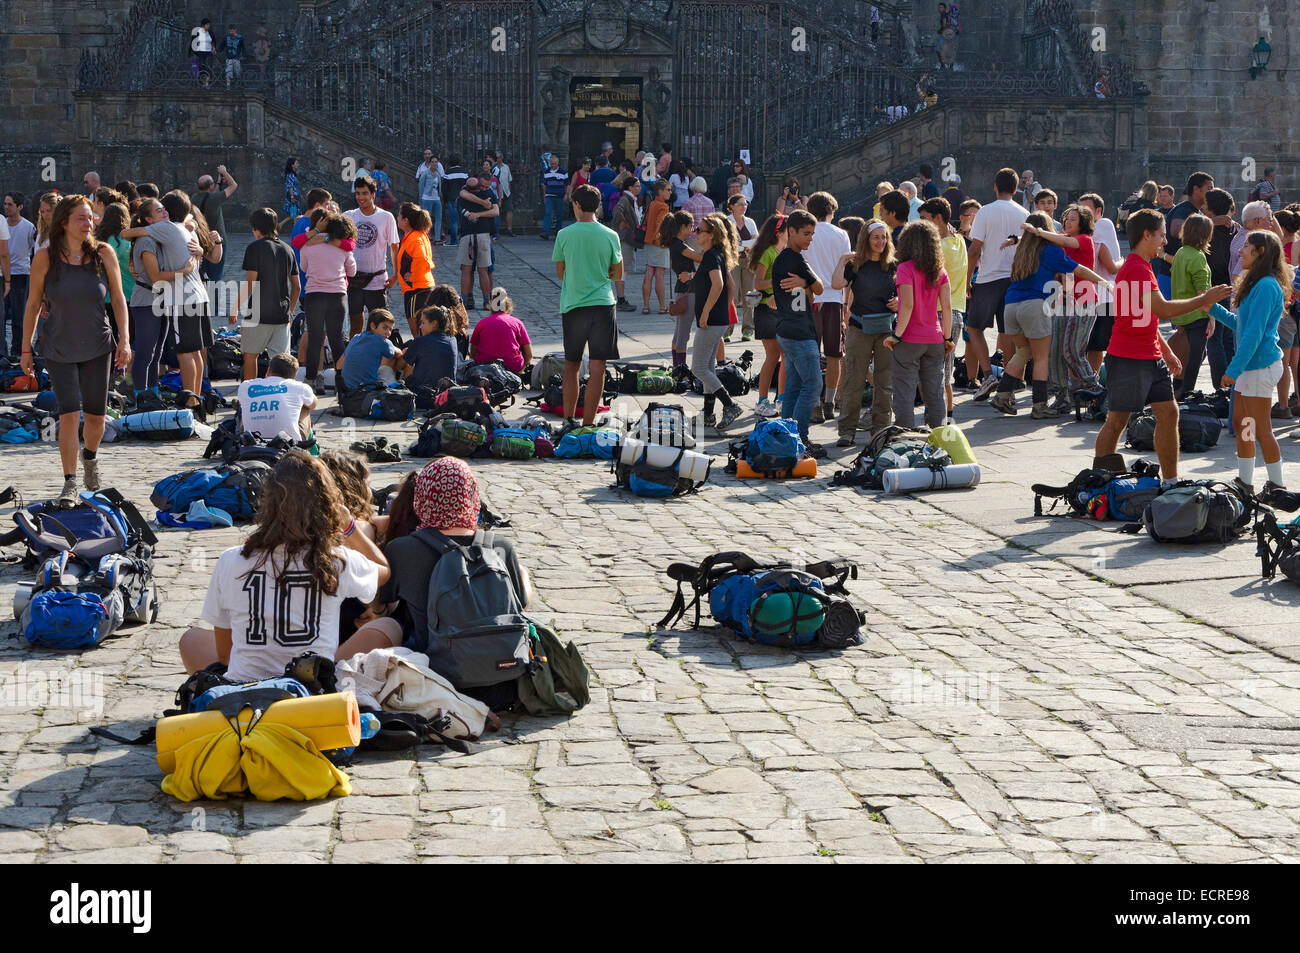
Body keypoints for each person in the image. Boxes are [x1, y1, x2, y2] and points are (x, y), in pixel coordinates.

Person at [178, 452, 398, 679]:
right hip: (312, 691)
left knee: (191, 638)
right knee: (390, 628)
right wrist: (350, 527)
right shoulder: (336, 560)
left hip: (247, 691)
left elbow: (226, 656)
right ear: (328, 504)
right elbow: (383, 570)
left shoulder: (230, 560)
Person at [1092, 209, 1231, 478]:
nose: (1165, 242)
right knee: (1117, 420)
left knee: (1169, 414)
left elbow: (1148, 317)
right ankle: (1099, 478)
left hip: (1149, 355)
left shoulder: (1142, 267)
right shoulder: (1136, 269)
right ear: (1147, 235)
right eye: (1161, 235)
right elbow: (1165, 310)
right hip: (1128, 357)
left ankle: (1170, 480)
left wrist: (1166, 352)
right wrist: (1205, 300)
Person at [366, 457, 533, 678]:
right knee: (521, 573)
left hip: (438, 671)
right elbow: (520, 602)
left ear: (423, 496)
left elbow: (383, 604)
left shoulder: (403, 550)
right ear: (472, 495)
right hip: (504, 671)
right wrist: (524, 575)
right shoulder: (501, 546)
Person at [20, 196, 130, 502]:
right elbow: (31, 305)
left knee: (95, 418)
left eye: (91, 218)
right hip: (58, 345)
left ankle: (90, 458)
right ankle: (69, 481)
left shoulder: (103, 253)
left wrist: (125, 340)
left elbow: (119, 299)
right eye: (82, 218)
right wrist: (25, 348)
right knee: (68, 415)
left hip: (97, 344)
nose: (89, 223)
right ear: (64, 223)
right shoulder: (45, 257)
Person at [989, 213, 1109, 418]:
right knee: (1043, 357)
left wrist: (1020, 238)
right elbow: (1079, 269)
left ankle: (1002, 395)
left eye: (1072, 219)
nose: (1064, 224)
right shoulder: (1051, 250)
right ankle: (1039, 406)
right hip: (1035, 306)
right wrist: (1105, 283)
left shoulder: (1023, 250)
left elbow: (1060, 240)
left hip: (1011, 305)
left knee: (1023, 352)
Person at [1203, 231, 1290, 492]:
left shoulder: (1265, 285)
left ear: (1261, 251)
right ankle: (1246, 482)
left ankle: (1276, 486)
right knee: (1244, 423)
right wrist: (1212, 307)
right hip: (1252, 367)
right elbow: (1240, 325)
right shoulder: (1257, 282)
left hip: (1259, 366)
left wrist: (1233, 369)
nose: (1240, 251)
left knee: (1261, 428)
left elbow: (1253, 335)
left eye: (1246, 247)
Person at [553, 184, 622, 427]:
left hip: (574, 305)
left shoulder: (564, 235)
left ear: (577, 205)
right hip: (603, 304)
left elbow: (561, 273)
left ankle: (568, 420)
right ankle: (589, 423)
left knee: (572, 366)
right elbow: (617, 273)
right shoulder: (610, 235)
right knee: (598, 368)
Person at [123, 197, 195, 401]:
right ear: (148, 219)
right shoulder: (146, 240)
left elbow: (190, 218)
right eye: (160, 211)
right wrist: (184, 271)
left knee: (157, 353)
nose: (165, 213)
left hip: (161, 299)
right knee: (146, 352)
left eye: (165, 210)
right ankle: (139, 397)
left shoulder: (159, 236)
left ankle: (152, 395)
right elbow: (155, 276)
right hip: (147, 300)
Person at [833, 219, 897, 444]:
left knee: (885, 382)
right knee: (854, 380)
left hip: (886, 329)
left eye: (884, 237)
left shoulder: (892, 265)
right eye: (876, 237)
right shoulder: (856, 264)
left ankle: (881, 429)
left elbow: (906, 294)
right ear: (866, 240)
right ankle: (847, 430)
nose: (881, 241)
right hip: (859, 327)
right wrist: (842, 259)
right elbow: (836, 284)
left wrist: (899, 302)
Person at [883, 220, 952, 429]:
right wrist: (947, 338)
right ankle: (939, 435)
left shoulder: (905, 268)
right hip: (935, 338)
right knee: (935, 392)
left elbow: (907, 305)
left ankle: (906, 435)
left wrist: (896, 336)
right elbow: (947, 308)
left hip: (910, 338)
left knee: (904, 392)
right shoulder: (940, 271)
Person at [968, 169, 1028, 398]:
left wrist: (966, 281)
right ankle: (1011, 379)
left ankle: (988, 375)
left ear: (995, 186)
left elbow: (974, 249)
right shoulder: (1024, 213)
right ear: (1015, 189)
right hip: (1014, 278)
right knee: (1008, 331)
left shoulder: (985, 211)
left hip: (988, 277)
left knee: (974, 327)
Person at [772, 210, 827, 457]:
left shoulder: (788, 258)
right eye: (806, 233)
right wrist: (807, 285)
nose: (810, 239)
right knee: (814, 383)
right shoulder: (794, 259)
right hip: (798, 332)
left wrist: (806, 286)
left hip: (788, 329)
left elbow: (814, 289)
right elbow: (820, 287)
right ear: (791, 231)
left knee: (794, 386)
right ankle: (800, 439)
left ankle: (788, 437)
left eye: (812, 234)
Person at [230, 207, 299, 380]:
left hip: (257, 313)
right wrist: (290, 311)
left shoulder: (255, 248)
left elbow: (250, 282)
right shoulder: (287, 249)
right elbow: (296, 286)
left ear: (255, 228)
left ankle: (249, 394)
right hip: (282, 314)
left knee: (250, 356)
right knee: (282, 361)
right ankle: (283, 394)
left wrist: (234, 308)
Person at [690, 213, 744, 432]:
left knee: (699, 368)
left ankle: (730, 405)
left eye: (700, 230)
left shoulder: (712, 256)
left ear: (711, 235)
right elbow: (731, 286)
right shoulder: (718, 254)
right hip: (718, 318)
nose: (696, 233)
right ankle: (708, 415)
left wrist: (706, 312)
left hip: (711, 320)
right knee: (709, 367)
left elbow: (719, 284)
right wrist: (724, 307)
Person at [801, 192, 851, 422]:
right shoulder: (841, 234)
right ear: (832, 210)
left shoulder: (806, 231)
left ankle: (813, 403)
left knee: (810, 353)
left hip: (809, 296)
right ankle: (829, 401)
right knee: (834, 354)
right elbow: (845, 269)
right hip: (833, 296)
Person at [918, 197, 967, 417]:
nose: (922, 224)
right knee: (944, 371)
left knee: (930, 371)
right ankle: (947, 414)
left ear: (938, 218)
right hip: (956, 312)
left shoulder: (940, 249)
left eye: (925, 219)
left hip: (938, 313)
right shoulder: (957, 241)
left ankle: (934, 413)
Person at [297, 209, 357, 385]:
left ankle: (310, 379)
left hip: (314, 295)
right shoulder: (342, 246)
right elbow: (352, 271)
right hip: (337, 295)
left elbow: (304, 267)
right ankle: (341, 380)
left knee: (315, 339)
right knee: (337, 339)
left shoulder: (308, 245)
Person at [1168, 213, 1217, 399]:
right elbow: (1203, 293)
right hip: (1197, 315)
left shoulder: (1180, 253)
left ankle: (1178, 388)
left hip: (1181, 313)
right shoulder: (1198, 257)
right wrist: (1212, 317)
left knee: (1185, 355)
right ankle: (1185, 394)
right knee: (1195, 359)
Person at [344, 175, 399, 338]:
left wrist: (396, 273)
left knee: (381, 325)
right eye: (358, 193)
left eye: (364, 193)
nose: (360, 197)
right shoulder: (349, 216)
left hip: (377, 279)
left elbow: (394, 247)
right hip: (354, 280)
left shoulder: (386, 217)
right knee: (355, 323)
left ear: (373, 194)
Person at [748, 213, 787, 417]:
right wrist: (779, 283)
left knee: (785, 355)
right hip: (766, 309)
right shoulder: (769, 253)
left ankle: (781, 398)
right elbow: (758, 283)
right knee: (773, 355)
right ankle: (762, 400)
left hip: (780, 309)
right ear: (780, 232)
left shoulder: (784, 252)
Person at [1079, 192, 1122, 374]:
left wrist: (1120, 262)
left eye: (1086, 210)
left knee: (1095, 346)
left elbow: (1110, 266)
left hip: (1102, 296)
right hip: (1089, 295)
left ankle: (1092, 384)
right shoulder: (1085, 230)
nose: (1082, 214)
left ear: (1099, 211)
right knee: (1090, 346)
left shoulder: (1102, 224)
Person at [237, 352, 316, 442]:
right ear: (293, 376)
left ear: (268, 371)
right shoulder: (300, 387)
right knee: (305, 406)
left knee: (244, 405)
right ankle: (303, 444)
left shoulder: (246, 385)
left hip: (250, 443)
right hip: (288, 445)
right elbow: (313, 405)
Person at [662, 209, 702, 369]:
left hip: (682, 289)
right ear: (683, 227)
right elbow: (700, 258)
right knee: (683, 332)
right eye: (691, 226)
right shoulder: (679, 245)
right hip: (687, 290)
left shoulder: (675, 243)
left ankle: (677, 366)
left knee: (679, 331)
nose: (692, 230)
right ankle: (681, 367)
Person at [93, 202, 133, 347]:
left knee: (108, 338)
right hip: (128, 293)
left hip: (104, 295)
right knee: (128, 337)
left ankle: (110, 367)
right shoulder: (129, 241)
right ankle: (125, 369)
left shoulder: (97, 240)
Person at [456, 176, 498, 310]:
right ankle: (486, 301)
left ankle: (466, 299)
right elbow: (496, 211)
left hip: (467, 235)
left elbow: (462, 194)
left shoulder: (463, 196)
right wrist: (484, 207)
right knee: (483, 270)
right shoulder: (487, 194)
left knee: (466, 270)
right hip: (483, 234)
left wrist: (476, 214)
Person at [3, 193, 36, 358]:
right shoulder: (2, 224)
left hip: (21, 274)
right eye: (5, 204)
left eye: (10, 204)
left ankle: (17, 350)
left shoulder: (29, 227)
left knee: (18, 315)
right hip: (3, 274)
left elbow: (33, 251)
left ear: (20, 207)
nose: (6, 207)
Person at [468, 288, 532, 373]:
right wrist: (522, 368)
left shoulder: (481, 323)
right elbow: (528, 354)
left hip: (484, 367)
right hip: (513, 367)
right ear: (508, 305)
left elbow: (473, 352)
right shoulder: (517, 323)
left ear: (491, 306)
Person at [191, 165, 237, 281]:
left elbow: (211, 194)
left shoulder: (194, 198)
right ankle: (214, 298)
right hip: (217, 241)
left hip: (201, 240)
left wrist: (218, 183)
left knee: (202, 274)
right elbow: (233, 185)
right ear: (210, 186)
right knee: (215, 276)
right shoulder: (215, 199)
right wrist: (224, 172)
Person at [396, 202, 435, 336]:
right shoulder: (414, 235)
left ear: (406, 220)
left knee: (418, 333)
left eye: (399, 215)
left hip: (417, 290)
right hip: (417, 289)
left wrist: (413, 277)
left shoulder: (415, 238)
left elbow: (422, 259)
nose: (397, 218)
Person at [401, 305, 460, 389]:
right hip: (447, 391)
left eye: (423, 323)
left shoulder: (420, 341)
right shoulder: (452, 340)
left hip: (424, 392)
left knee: (408, 365)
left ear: (434, 323)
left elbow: (404, 365)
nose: (420, 327)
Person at [341, 308, 400, 390]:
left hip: (347, 391)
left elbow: (339, 364)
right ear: (372, 326)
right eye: (384, 328)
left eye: (390, 329)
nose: (388, 333)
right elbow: (399, 353)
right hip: (367, 391)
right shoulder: (382, 342)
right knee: (392, 358)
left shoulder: (355, 338)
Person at [726, 193, 758, 342]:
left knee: (749, 294)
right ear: (732, 206)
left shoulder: (750, 222)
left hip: (749, 261)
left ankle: (748, 329)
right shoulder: (727, 222)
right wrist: (746, 245)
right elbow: (729, 244)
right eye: (740, 204)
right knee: (731, 295)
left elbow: (756, 242)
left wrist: (741, 245)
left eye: (745, 204)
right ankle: (727, 329)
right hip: (733, 261)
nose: (743, 207)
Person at [610, 177, 642, 313]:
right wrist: (623, 223)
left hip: (626, 238)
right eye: (637, 186)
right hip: (624, 239)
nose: (639, 188)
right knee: (622, 271)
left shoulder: (630, 199)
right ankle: (621, 299)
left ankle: (621, 298)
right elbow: (617, 211)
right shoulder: (625, 199)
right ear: (630, 187)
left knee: (623, 270)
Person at [641, 179, 672, 315]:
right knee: (660, 273)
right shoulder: (664, 207)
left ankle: (646, 306)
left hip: (648, 241)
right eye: (668, 190)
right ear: (660, 191)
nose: (670, 192)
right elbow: (660, 224)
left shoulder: (652, 204)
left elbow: (647, 221)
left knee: (649, 273)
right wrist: (662, 239)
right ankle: (662, 306)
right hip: (660, 243)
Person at [440, 157, 469, 247]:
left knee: (454, 221)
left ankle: (453, 241)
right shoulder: (464, 172)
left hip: (451, 199)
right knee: (464, 220)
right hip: (463, 199)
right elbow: (468, 186)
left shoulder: (448, 173)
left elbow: (444, 189)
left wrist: (445, 200)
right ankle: (464, 240)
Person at [417, 150, 444, 244]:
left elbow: (439, 186)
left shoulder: (438, 173)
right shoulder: (425, 173)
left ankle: (437, 238)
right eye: (432, 162)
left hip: (436, 198)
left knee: (439, 218)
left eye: (436, 162)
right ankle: (426, 237)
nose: (434, 163)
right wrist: (421, 198)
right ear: (430, 163)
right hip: (427, 198)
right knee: (426, 218)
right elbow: (421, 185)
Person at [540, 153, 567, 241]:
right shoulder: (546, 172)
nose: (553, 165)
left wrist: (566, 194)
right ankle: (545, 232)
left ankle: (557, 232)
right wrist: (544, 195)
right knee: (548, 213)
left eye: (555, 164)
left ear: (558, 163)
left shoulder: (563, 172)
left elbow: (567, 184)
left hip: (560, 196)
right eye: (552, 164)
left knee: (559, 215)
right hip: (549, 195)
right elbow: (544, 184)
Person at [493, 152, 514, 236]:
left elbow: (509, 180)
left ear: (501, 158)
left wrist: (509, 190)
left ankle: (509, 229)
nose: (498, 159)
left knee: (510, 209)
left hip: (506, 192)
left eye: (499, 157)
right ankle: (495, 231)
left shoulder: (506, 167)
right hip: (497, 193)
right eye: (496, 158)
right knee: (496, 211)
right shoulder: (493, 168)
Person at [193, 18, 214, 86]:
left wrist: (213, 48)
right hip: (200, 52)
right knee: (202, 68)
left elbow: (213, 41)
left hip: (208, 53)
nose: (208, 26)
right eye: (207, 24)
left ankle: (206, 83)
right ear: (203, 25)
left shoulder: (210, 33)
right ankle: (202, 83)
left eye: (209, 25)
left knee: (208, 68)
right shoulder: (198, 32)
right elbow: (194, 42)